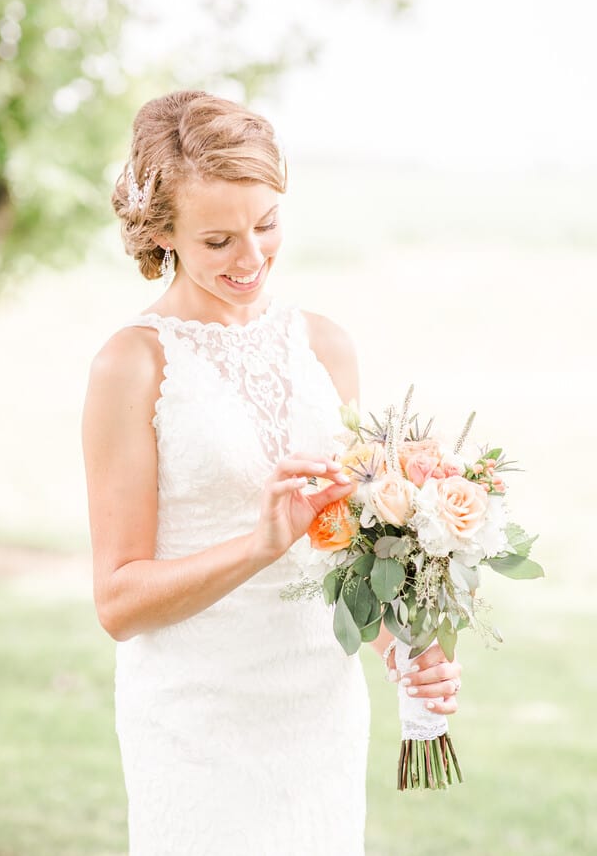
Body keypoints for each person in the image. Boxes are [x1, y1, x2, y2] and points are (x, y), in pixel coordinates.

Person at [81, 90, 461, 856]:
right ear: (162, 233)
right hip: (195, 724)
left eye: (266, 225)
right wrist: (257, 545)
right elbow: (118, 603)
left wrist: (403, 649)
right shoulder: (132, 364)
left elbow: (346, 554)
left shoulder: (326, 345)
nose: (251, 258)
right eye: (218, 240)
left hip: (317, 713)